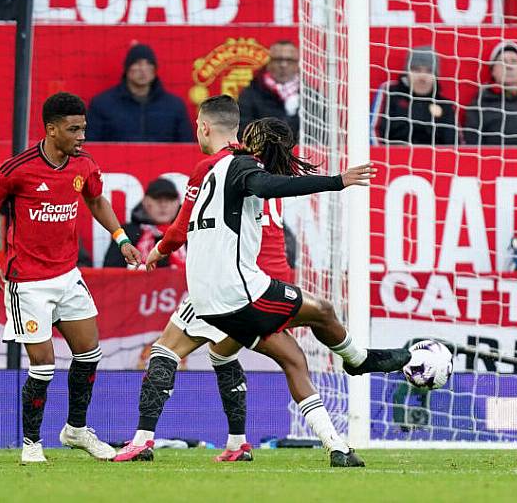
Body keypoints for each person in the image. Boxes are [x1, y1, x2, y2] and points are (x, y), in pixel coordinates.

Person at [111, 98, 349, 465]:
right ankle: (247, 442)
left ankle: (143, 439)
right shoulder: (258, 169)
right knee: (239, 354)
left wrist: (160, 249)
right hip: (260, 282)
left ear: (205, 127)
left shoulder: (217, 167)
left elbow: (184, 222)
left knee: (165, 351)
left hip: (230, 284)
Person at [186, 116, 413, 467]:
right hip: (240, 291)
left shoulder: (214, 169)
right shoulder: (244, 165)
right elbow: (264, 185)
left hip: (206, 298)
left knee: (292, 358)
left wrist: (159, 250)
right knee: (321, 310)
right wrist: (338, 181)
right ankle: (358, 359)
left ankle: (336, 447)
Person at [0, 92, 142, 463]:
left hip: (67, 275)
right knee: (43, 365)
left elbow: (95, 199)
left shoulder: (84, 165)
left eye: (84, 129)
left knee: (90, 354)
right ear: (51, 129)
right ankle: (32, 443)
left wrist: (121, 238)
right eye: (73, 129)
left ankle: (76, 430)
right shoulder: (20, 168)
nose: (81, 136)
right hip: (27, 282)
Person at [86, 44, 194, 142]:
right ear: (127, 68)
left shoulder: (174, 106)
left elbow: (186, 145)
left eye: (148, 64)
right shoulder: (103, 104)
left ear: (154, 70)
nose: (143, 69)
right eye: (137, 64)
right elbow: (91, 145)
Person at [371, 46, 457, 145]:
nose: (422, 76)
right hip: (391, 158)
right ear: (407, 72)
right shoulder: (390, 92)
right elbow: (373, 130)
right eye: (416, 70)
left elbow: (456, 145)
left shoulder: (445, 105)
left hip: (434, 159)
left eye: (429, 71)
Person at [102, 178, 182, 268]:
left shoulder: (187, 234)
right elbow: (110, 273)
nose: (163, 205)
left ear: (178, 202)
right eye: (157, 199)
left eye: (169, 199)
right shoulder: (126, 233)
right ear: (145, 201)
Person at [237, 40, 302, 137]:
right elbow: (243, 132)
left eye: (289, 60)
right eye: (278, 60)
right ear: (269, 62)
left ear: (297, 64)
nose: (283, 65)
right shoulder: (249, 95)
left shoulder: (310, 96)